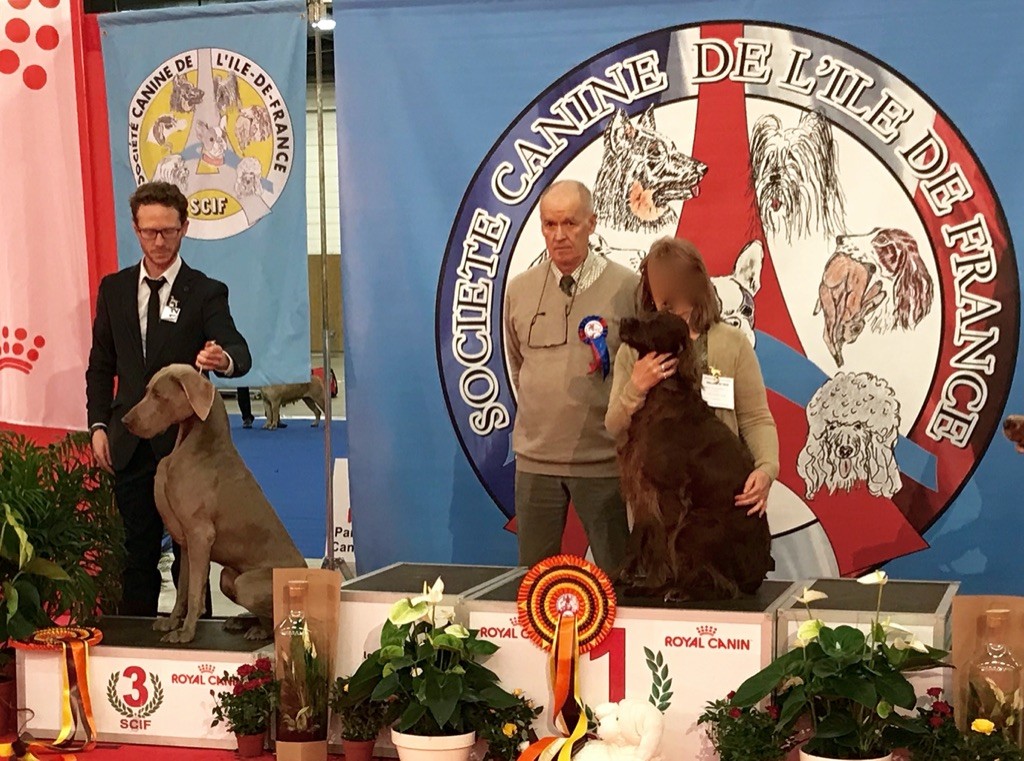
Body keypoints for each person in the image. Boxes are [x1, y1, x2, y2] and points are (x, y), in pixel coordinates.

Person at [86, 181, 252, 617]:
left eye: (168, 231)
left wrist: (223, 359)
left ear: (184, 228)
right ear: (135, 229)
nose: (159, 241)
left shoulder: (206, 291)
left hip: (185, 449)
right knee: (134, 555)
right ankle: (133, 646)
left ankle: (196, 641)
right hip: (129, 442)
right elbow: (101, 365)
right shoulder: (113, 289)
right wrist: (98, 425)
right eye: (149, 231)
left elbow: (239, 350)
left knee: (191, 556)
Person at [504, 180, 638, 574]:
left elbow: (639, 370)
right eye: (550, 224)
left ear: (592, 223)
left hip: (604, 462)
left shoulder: (629, 288)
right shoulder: (519, 290)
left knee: (619, 578)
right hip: (535, 463)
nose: (559, 235)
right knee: (534, 582)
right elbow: (518, 364)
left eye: (570, 223)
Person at [606, 236, 778, 516]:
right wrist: (635, 388)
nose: (677, 302)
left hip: (719, 493)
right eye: (666, 296)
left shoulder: (733, 342)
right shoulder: (633, 349)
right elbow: (614, 425)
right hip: (656, 500)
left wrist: (766, 469)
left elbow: (756, 418)